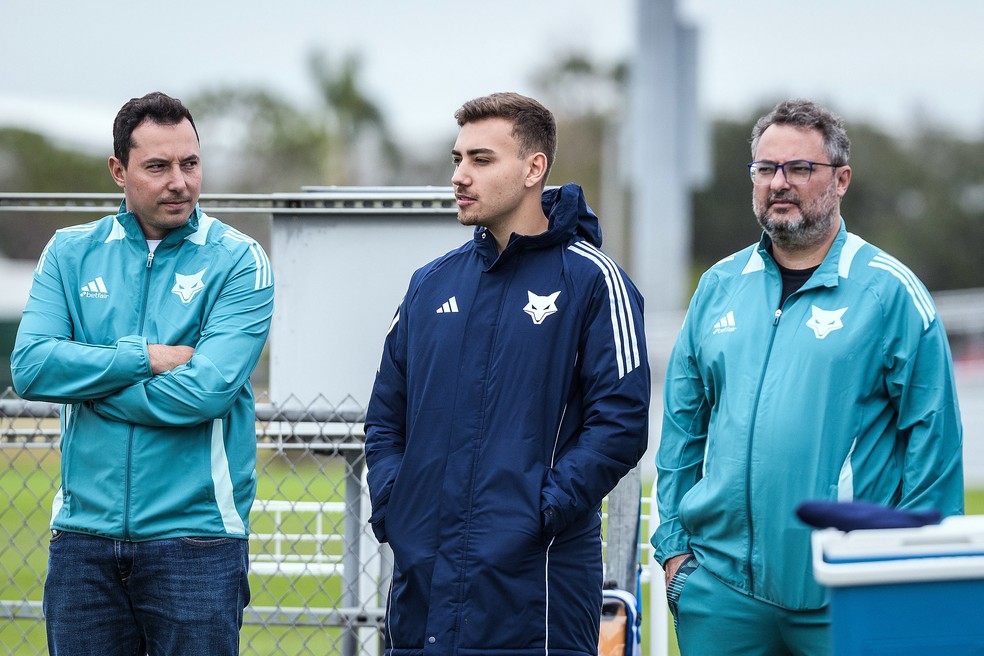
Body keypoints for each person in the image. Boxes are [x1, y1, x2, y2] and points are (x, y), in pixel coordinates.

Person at [653, 98, 964, 655]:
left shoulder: (889, 291)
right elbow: (682, 430)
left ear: (841, 179)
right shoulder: (719, 287)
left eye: (800, 168)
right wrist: (677, 557)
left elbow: (933, 442)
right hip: (722, 595)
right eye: (766, 169)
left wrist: (918, 571)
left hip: (847, 588)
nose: (779, 182)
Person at [364, 92, 651, 655]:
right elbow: (385, 417)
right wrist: (400, 506)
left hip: (535, 593)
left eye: (481, 159)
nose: (460, 176)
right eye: (456, 159)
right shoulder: (430, 284)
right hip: (423, 585)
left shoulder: (593, 280)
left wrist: (537, 512)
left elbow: (620, 423)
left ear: (533, 169)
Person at [10, 91, 274, 655]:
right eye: (158, 166)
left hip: (197, 541)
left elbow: (205, 393)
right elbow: (31, 367)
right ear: (118, 171)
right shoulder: (68, 252)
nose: (179, 181)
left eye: (190, 163)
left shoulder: (239, 259)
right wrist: (143, 358)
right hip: (83, 540)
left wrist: (92, 388)